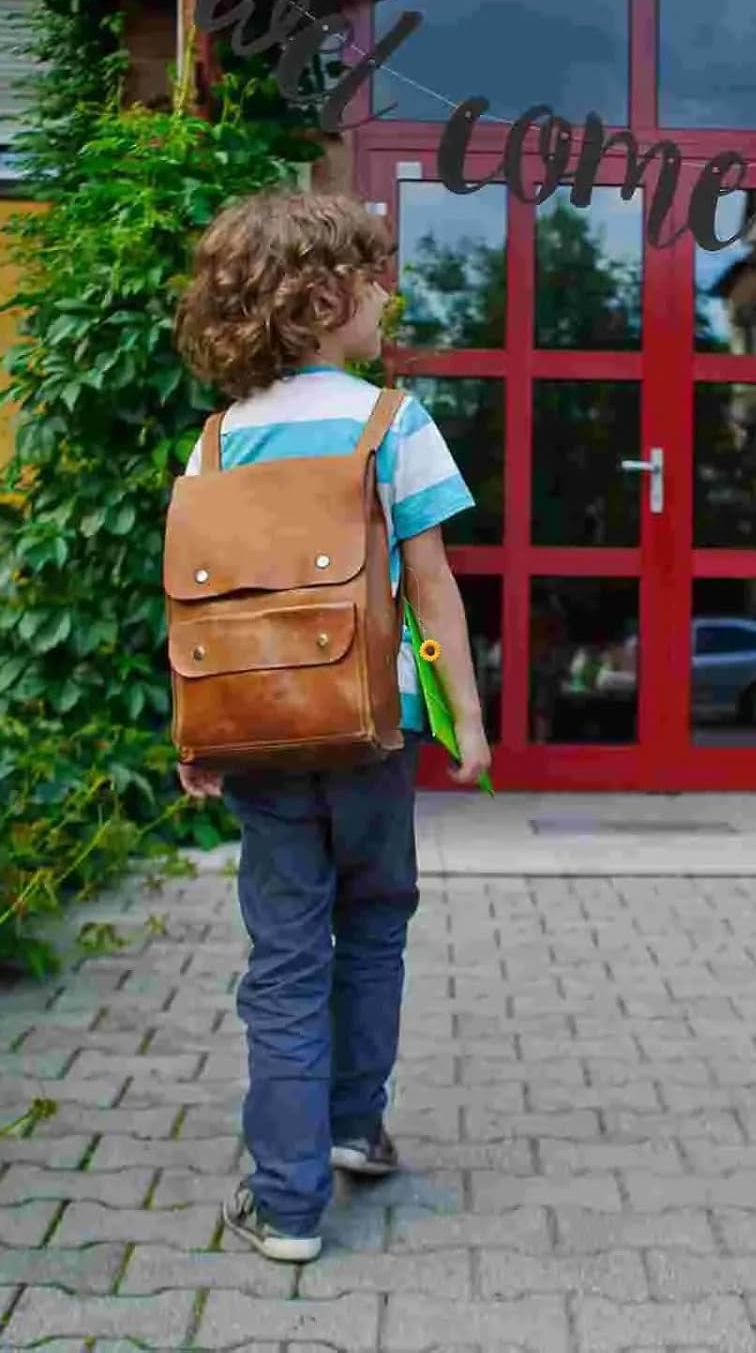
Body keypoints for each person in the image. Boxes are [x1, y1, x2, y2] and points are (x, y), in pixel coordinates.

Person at [171, 189, 492, 1263]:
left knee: (285, 953)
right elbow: (433, 587)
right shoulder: (392, 424)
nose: (387, 294)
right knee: (377, 919)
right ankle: (353, 1123)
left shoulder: (216, 442)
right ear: (321, 298)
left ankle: (287, 1200)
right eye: (372, 276)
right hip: (373, 727)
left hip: (262, 731)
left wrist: (195, 732)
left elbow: (200, 604)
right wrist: (467, 718)